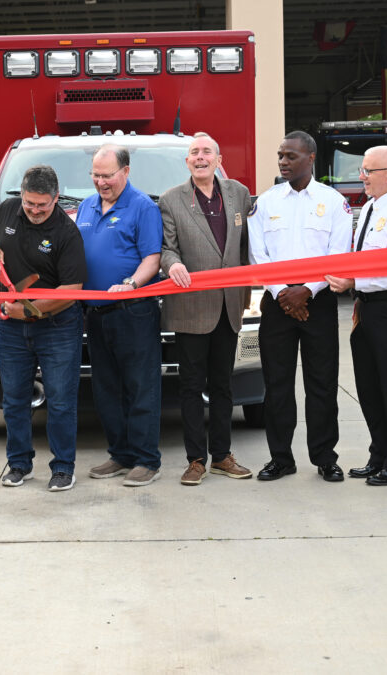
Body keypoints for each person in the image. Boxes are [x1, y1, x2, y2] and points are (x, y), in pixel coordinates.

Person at [248, 131, 352, 483]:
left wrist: (306, 290)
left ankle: (325, 457)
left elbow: (339, 255)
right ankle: (281, 458)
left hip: (318, 304)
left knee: (322, 384)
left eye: (291, 156)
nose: (283, 162)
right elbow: (258, 255)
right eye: (280, 155)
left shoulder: (334, 202)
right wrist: (283, 294)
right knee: (277, 385)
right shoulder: (266, 202)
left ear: (310, 158)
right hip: (277, 305)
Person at [0, 165, 86, 492]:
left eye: (42, 205)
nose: (35, 210)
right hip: (12, 327)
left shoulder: (67, 233)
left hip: (58, 327)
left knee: (61, 400)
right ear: (21, 197)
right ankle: (19, 464)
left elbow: (72, 291)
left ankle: (63, 468)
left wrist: (30, 312)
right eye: (30, 204)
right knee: (13, 398)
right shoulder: (9, 210)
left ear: (55, 198)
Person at [325, 145, 387, 486]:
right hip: (366, 308)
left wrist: (355, 280)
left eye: (369, 170)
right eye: (363, 169)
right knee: (370, 387)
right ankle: (379, 453)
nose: (362, 176)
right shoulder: (368, 208)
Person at [160, 132, 253, 486]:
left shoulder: (239, 194)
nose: (200, 157)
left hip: (229, 306)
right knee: (190, 386)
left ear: (218, 159)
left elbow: (247, 247)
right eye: (194, 152)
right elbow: (166, 248)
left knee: (223, 385)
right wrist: (172, 265)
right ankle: (195, 459)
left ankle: (223, 456)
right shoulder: (171, 200)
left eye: (206, 152)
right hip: (191, 308)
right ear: (187, 162)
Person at [77, 145, 164, 487]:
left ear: (125, 172)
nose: (101, 182)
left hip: (134, 312)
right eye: (95, 176)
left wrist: (130, 284)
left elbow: (152, 259)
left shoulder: (142, 207)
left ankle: (146, 460)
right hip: (96, 315)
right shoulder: (85, 206)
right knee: (107, 388)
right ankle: (120, 454)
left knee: (140, 386)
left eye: (107, 175)